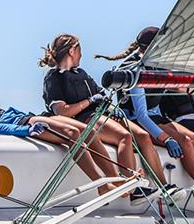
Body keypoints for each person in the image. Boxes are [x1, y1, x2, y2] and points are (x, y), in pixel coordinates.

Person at [99, 26, 194, 214]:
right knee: (185, 142)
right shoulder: (134, 69)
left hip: (156, 116)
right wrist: (166, 139)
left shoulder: (159, 67)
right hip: (136, 120)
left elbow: (182, 89)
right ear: (154, 47)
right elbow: (142, 115)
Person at [40, 33, 179, 204]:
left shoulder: (81, 73)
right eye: (80, 50)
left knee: (142, 136)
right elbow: (61, 112)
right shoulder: (54, 78)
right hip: (84, 118)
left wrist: (113, 108)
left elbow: (101, 94)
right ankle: (130, 188)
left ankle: (163, 187)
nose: (81, 54)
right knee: (125, 137)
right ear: (72, 51)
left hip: (102, 114)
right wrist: (89, 101)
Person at [0, 81, 119, 195]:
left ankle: (115, 180)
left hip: (30, 120)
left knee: (89, 131)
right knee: (73, 134)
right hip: (27, 124)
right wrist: (27, 131)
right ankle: (100, 185)